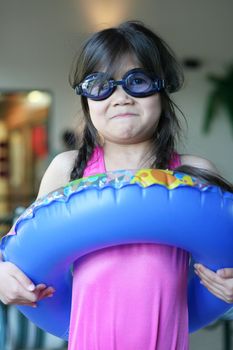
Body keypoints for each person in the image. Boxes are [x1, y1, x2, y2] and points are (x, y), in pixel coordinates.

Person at [0, 20, 233, 349]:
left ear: (161, 89)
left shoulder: (193, 174)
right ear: (86, 101)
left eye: (137, 81)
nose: (121, 97)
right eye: (100, 85)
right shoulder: (67, 170)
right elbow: (19, 251)